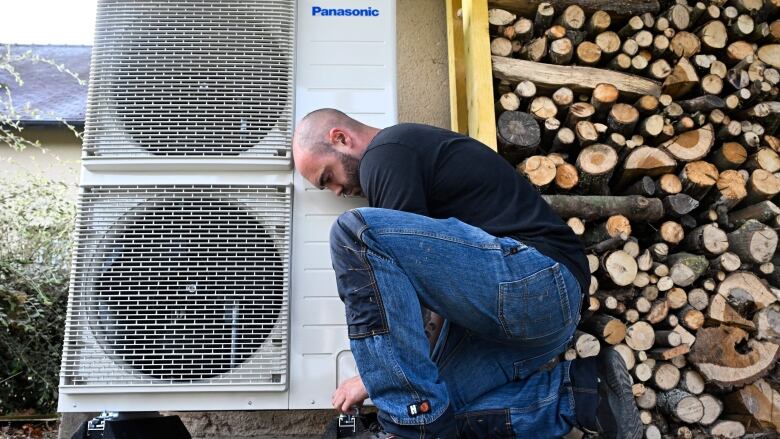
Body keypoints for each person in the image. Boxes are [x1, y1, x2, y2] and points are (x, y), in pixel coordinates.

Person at [292, 108, 642, 439]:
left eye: (328, 178)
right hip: (537, 320)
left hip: (539, 282)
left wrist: (377, 379)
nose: (337, 191)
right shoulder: (399, 159)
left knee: (353, 234)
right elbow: (435, 289)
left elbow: (410, 293)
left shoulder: (386, 154)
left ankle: (408, 420)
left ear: (340, 139)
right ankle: (583, 393)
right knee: (435, 406)